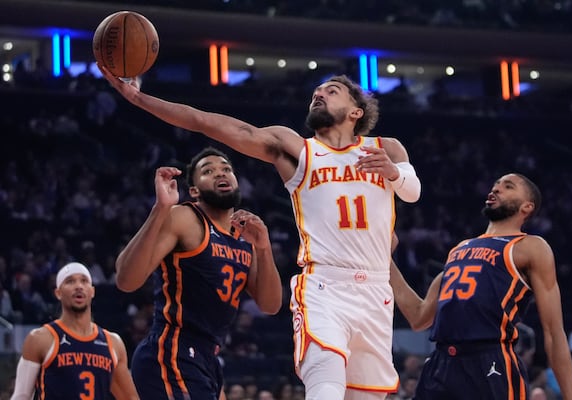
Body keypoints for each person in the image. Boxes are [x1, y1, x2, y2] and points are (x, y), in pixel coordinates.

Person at [99, 66, 421, 399]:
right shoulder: (297, 150)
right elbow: (205, 121)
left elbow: (413, 191)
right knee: (325, 382)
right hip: (325, 286)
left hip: (375, 292)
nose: (319, 94)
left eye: (331, 90)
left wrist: (394, 173)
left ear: (356, 111)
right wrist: (139, 98)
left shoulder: (387, 149)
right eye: (317, 92)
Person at [390, 173, 572, 400]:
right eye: (496, 185)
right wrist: (384, 259)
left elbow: (554, 333)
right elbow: (419, 317)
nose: (497, 189)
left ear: (527, 207)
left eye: (508, 186)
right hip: (441, 362)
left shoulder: (530, 246)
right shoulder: (460, 249)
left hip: (490, 360)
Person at [114, 147, 283, 400]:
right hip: (172, 351)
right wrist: (160, 209)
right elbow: (126, 280)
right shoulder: (185, 217)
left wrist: (263, 247)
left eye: (226, 169)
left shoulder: (244, 235)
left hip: (208, 358)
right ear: (194, 191)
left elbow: (270, 305)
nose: (220, 173)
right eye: (208, 171)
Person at [10, 262, 139, 400]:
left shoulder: (113, 343)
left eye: (84, 281)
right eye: (70, 281)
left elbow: (130, 398)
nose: (79, 286)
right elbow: (21, 396)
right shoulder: (40, 339)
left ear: (92, 291)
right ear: (58, 293)